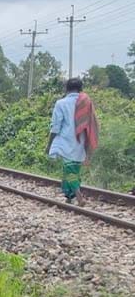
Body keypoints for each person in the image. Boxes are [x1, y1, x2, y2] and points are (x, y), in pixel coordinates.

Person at [47, 78, 98, 207]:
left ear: (66, 88)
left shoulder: (61, 103)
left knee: (69, 170)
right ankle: (69, 197)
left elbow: (55, 127)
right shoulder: (86, 103)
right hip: (81, 141)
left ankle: (78, 195)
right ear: (81, 89)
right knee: (72, 169)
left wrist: (49, 145)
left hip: (66, 142)